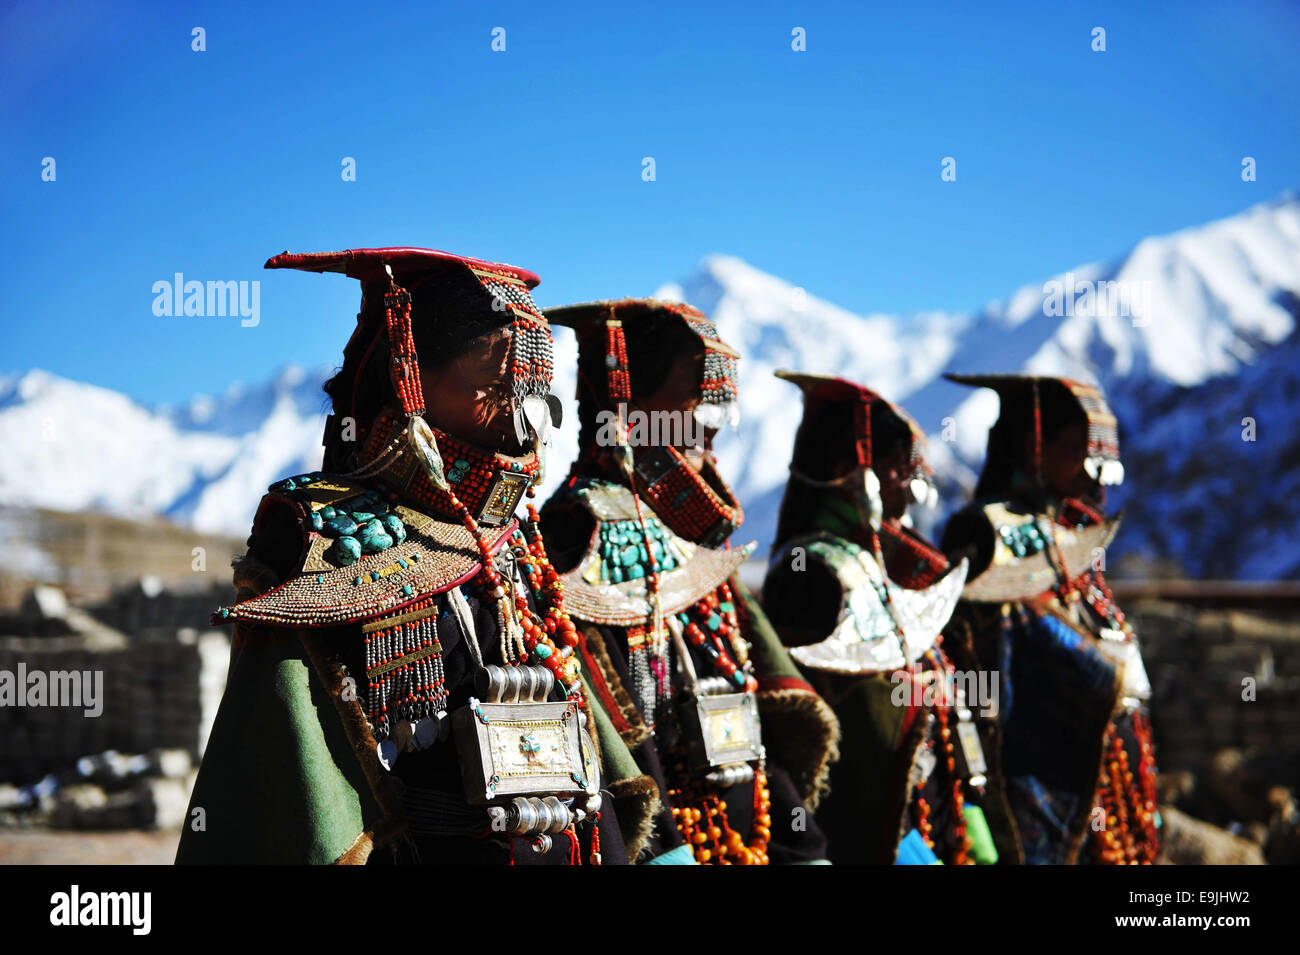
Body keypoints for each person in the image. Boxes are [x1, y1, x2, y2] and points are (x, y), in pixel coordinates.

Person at [176, 247, 647, 865]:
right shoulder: (317, 534)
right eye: (498, 386)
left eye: (534, 390)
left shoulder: (515, 533)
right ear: (412, 377)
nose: (526, 415)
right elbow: (294, 772)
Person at [539, 300, 838, 864]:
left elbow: (753, 709)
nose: (712, 422)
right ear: (627, 400)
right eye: (696, 396)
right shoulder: (572, 534)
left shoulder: (698, 542)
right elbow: (611, 740)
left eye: (720, 403)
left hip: (748, 832)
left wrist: (802, 847)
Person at [762, 371, 1014, 864]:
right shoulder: (811, 571)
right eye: (899, 472)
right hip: (864, 830)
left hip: (930, 815)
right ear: (849, 472)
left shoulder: (883, 573)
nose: (909, 495)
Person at [940, 373, 1159, 865]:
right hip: (1031, 773)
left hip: (1108, 774)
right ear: (1035, 444)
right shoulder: (984, 534)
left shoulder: (1074, 534)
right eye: (1080, 449)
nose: (1095, 472)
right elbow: (981, 668)